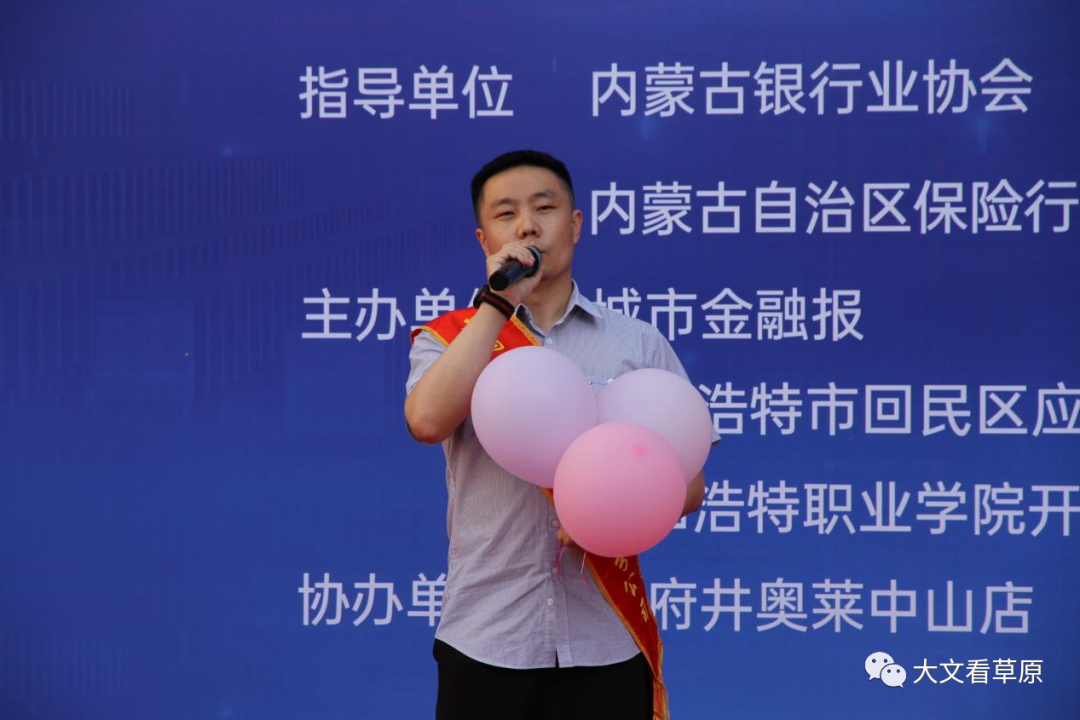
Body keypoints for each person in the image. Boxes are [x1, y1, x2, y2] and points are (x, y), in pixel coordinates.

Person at [404, 150, 716, 720]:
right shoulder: (449, 338)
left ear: (575, 224)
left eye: (544, 208)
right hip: (487, 637)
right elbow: (426, 422)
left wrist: (615, 507)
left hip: (605, 641)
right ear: (484, 239)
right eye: (507, 214)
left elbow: (690, 485)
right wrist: (498, 304)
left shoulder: (637, 343)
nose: (527, 226)